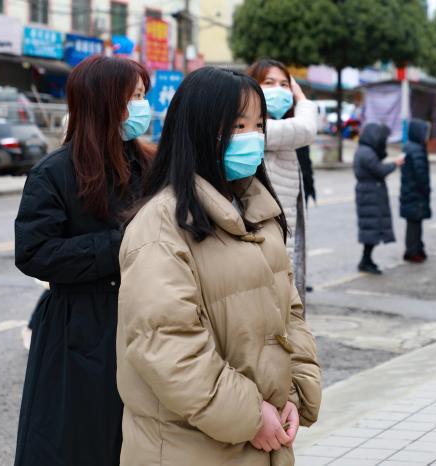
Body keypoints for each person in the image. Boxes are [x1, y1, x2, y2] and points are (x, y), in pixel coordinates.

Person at [116, 67, 321, 465]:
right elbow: (168, 344)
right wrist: (249, 415)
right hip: (189, 447)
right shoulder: (161, 226)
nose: (251, 138)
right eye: (237, 126)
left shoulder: (259, 212)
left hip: (262, 433)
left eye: (257, 126)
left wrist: (292, 393)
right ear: (198, 130)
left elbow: (290, 314)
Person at [14, 55, 153, 466]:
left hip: (143, 320)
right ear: (104, 103)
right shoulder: (54, 173)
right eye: (134, 97)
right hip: (79, 330)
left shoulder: (148, 165)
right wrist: (119, 246)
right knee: (76, 444)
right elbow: (34, 252)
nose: (142, 106)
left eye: (144, 95)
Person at [247, 59, 317, 306]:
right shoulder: (254, 130)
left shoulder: (282, 135)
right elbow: (307, 128)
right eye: (269, 82)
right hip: (263, 253)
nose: (278, 90)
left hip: (282, 249)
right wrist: (302, 98)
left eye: (284, 84)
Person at [355, 123, 403, 274]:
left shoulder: (364, 150)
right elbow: (379, 170)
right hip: (370, 194)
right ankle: (365, 261)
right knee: (372, 228)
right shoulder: (366, 153)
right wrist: (395, 164)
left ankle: (366, 259)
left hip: (370, 192)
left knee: (372, 228)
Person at [400, 119, 431, 262]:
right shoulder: (416, 150)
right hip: (415, 193)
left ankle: (416, 248)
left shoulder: (410, 147)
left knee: (414, 223)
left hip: (410, 191)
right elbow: (421, 174)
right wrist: (426, 189)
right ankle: (413, 251)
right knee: (414, 224)